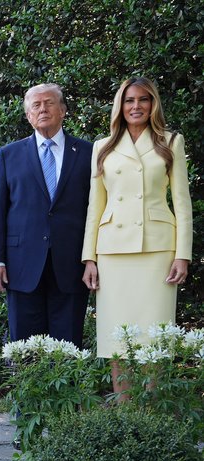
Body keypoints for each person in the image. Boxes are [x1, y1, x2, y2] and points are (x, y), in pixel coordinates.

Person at [81, 77, 192, 394]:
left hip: (157, 250)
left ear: (152, 104)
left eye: (143, 100)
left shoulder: (170, 142)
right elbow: (95, 206)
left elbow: (182, 203)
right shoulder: (102, 147)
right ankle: (125, 412)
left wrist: (182, 255)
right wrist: (89, 258)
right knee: (118, 338)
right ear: (120, 105)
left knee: (153, 339)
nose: (136, 106)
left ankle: (151, 417)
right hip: (113, 252)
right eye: (129, 100)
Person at [0, 83, 93, 348]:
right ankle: (27, 391)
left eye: (49, 103)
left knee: (67, 347)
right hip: (21, 265)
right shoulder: (9, 155)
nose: (43, 109)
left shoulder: (89, 153)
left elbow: (96, 209)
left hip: (71, 263)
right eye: (36, 105)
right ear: (28, 115)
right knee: (24, 348)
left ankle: (66, 391)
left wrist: (93, 258)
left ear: (63, 110)